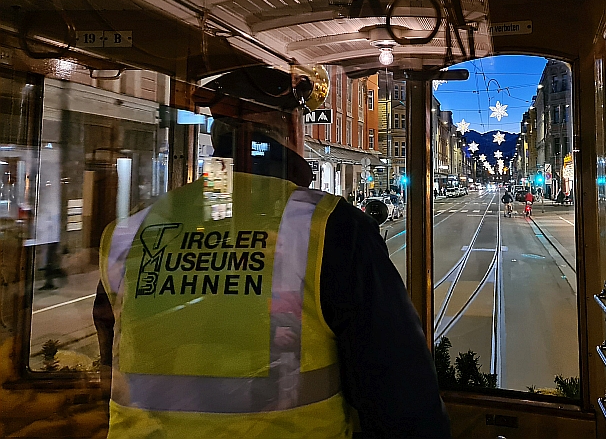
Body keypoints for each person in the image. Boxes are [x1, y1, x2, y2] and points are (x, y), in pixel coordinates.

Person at [93, 65, 450, 439]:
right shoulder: (333, 227)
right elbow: (401, 396)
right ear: (295, 129)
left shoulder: (128, 232)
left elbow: (110, 363)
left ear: (216, 137)